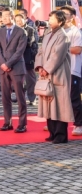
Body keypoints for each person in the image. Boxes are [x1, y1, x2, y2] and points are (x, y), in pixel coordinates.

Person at [35, 10, 74, 144]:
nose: (49, 21)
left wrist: (46, 69)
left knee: (60, 105)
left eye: (52, 19)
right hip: (46, 74)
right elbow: (40, 52)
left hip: (58, 73)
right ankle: (52, 132)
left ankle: (60, 135)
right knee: (49, 104)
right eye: (49, 18)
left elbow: (57, 55)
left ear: (60, 21)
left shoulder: (63, 35)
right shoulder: (47, 35)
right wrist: (40, 67)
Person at [0, 8, 28, 133]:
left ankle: (22, 124)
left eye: (6, 16)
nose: (3, 19)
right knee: (5, 97)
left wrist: (8, 63)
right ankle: (7, 122)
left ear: (12, 16)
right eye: (2, 16)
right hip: (3, 69)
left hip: (17, 68)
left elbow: (20, 51)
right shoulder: (0, 31)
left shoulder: (21, 31)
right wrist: (3, 64)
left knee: (20, 97)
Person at [60, 6, 82, 136]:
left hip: (73, 69)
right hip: (59, 70)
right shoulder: (58, 31)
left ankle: (79, 124)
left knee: (73, 98)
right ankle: (58, 123)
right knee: (59, 98)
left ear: (72, 17)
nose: (63, 15)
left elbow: (77, 49)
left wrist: (61, 49)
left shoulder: (76, 32)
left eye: (65, 13)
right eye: (61, 13)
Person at [15, 13, 38, 107]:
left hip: (28, 57)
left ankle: (32, 98)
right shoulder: (14, 30)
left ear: (25, 20)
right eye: (16, 21)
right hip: (16, 58)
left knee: (30, 79)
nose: (18, 22)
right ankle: (19, 97)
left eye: (20, 20)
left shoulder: (30, 29)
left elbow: (29, 42)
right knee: (18, 80)